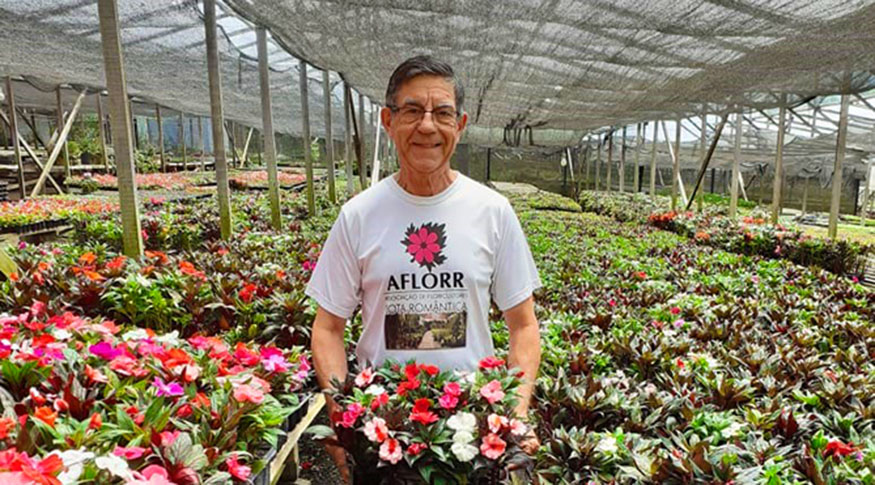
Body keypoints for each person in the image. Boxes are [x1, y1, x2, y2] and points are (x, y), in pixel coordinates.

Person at [306, 55, 542, 482]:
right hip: (383, 435)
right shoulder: (359, 215)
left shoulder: (493, 212)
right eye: (412, 111)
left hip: (472, 432)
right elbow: (327, 328)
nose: (427, 126)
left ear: (461, 124)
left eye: (442, 113)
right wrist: (343, 416)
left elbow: (523, 326)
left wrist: (515, 412)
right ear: (387, 120)